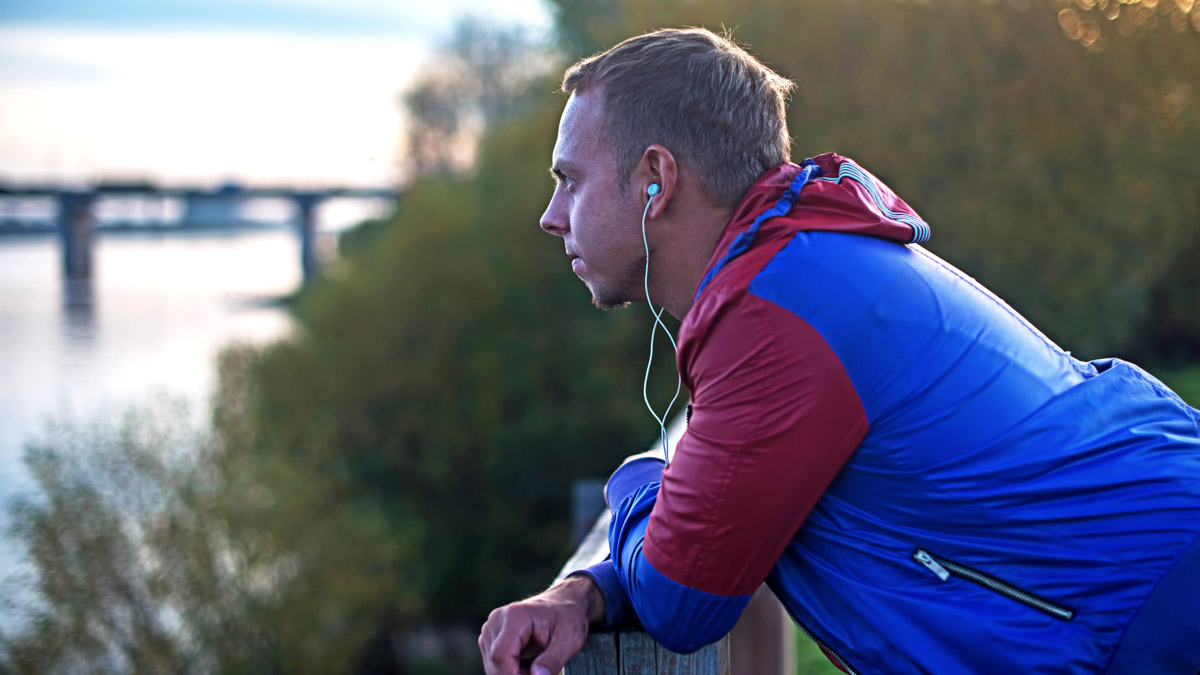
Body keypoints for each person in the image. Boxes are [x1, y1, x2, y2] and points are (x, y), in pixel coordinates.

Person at [477, 28, 1200, 675]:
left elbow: (680, 598)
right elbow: (720, 524)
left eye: (570, 179)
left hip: (1152, 605)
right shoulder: (805, 262)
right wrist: (591, 588)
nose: (551, 216)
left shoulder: (774, 313)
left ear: (655, 180)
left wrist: (635, 484)